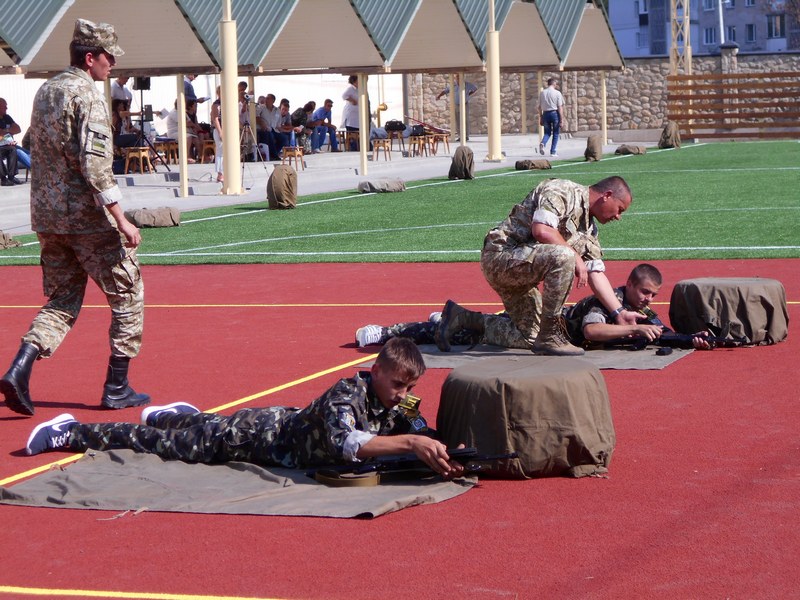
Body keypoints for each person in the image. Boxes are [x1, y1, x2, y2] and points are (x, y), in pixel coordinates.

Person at [25, 338, 465, 479]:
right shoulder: (345, 394)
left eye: (410, 386)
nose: (403, 393)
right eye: (397, 384)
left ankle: (173, 413)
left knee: (197, 426)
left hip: (279, 424)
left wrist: (446, 449)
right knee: (164, 444)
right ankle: (71, 431)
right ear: (376, 370)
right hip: (255, 438)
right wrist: (411, 443)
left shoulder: (401, 399)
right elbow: (349, 443)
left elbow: (420, 427)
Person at [0, 19, 150, 416]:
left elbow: (32, 143)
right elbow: (96, 166)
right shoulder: (88, 96)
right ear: (90, 58)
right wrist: (121, 219)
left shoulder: (46, 91)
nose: (113, 64)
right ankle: (117, 386)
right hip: (87, 219)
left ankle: (19, 367)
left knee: (63, 299)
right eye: (109, 57)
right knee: (128, 295)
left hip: (48, 217)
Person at [375, 264, 708, 352]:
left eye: (653, 295)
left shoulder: (640, 309)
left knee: (476, 327)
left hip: (541, 334)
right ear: (630, 284)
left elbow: (659, 331)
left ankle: (450, 320)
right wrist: (634, 328)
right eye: (645, 292)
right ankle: (389, 332)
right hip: (537, 328)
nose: (648, 300)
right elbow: (593, 330)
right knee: (464, 335)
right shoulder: (609, 302)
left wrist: (690, 339)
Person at [480, 176, 638, 356]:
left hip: (522, 273)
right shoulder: (562, 191)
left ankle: (466, 321)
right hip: (500, 258)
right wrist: (576, 257)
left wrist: (619, 312)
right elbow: (542, 230)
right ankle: (551, 335)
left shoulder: (589, 230)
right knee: (564, 256)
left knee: (531, 337)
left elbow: (595, 272)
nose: (618, 217)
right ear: (607, 195)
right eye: (619, 209)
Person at [436, 75, 478, 141]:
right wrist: (439, 96)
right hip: (456, 104)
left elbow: (475, 88)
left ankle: (466, 136)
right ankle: (460, 136)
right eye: (457, 78)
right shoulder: (453, 85)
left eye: (459, 78)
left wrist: (468, 94)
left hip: (464, 103)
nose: (458, 79)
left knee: (465, 120)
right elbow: (445, 91)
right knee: (457, 120)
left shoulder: (467, 84)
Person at [538, 78, 565, 157]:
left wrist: (541, 116)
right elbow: (560, 107)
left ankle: (543, 143)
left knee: (547, 132)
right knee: (556, 133)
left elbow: (539, 107)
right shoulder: (557, 93)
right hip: (554, 113)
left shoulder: (542, 93)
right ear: (554, 84)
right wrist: (561, 119)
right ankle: (553, 151)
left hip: (545, 113)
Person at [0, 97, 21, 185]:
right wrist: (9, 133)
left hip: (5, 144)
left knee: (13, 149)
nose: (6, 108)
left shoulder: (7, 117)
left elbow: (18, 129)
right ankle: (3, 179)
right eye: (4, 106)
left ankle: (11, 176)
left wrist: (5, 131)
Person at [341, 75, 360, 150]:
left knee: (358, 131)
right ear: (354, 82)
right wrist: (352, 100)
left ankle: (357, 146)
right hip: (351, 116)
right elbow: (344, 96)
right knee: (352, 131)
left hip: (357, 116)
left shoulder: (359, 89)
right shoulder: (350, 89)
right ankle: (352, 147)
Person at [210, 86, 223, 183]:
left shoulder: (228, 103)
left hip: (228, 130)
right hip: (219, 129)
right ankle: (220, 173)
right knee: (220, 151)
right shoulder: (216, 104)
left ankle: (225, 172)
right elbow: (215, 119)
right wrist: (220, 132)